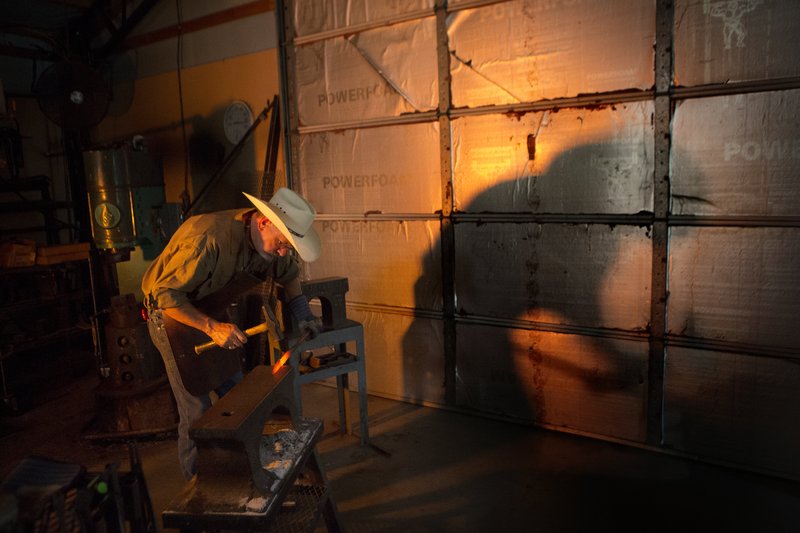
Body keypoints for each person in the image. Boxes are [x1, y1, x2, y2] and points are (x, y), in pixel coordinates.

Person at [141, 187, 322, 480]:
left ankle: (240, 471)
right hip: (172, 316)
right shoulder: (208, 239)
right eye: (282, 243)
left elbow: (288, 276)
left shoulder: (273, 247)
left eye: (289, 245)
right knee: (197, 410)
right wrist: (211, 328)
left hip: (210, 312)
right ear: (264, 222)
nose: (283, 251)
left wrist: (303, 315)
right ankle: (198, 489)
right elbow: (164, 295)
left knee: (237, 397)